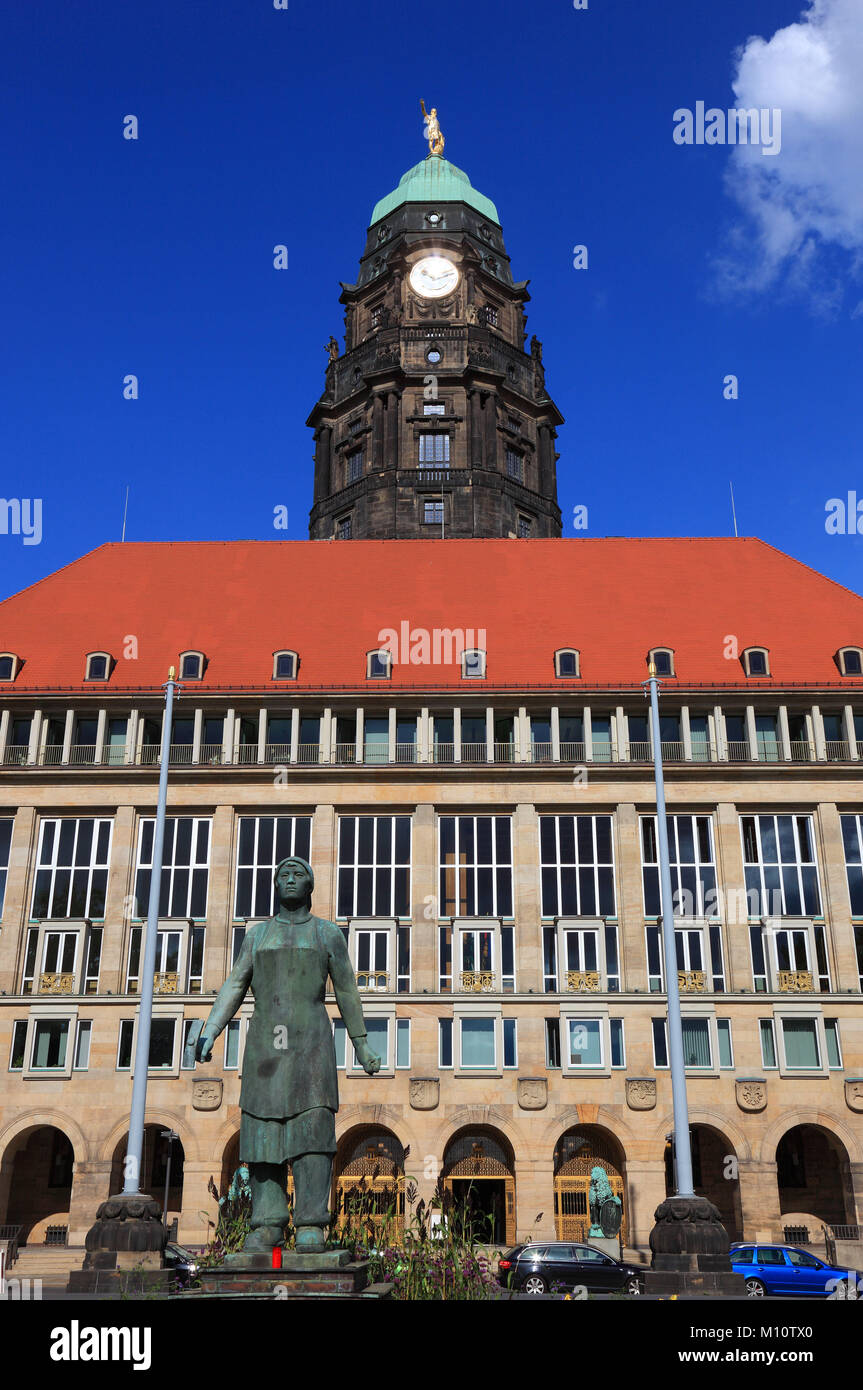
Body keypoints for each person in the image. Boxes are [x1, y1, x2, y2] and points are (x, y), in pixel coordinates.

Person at [196, 856, 380, 1252]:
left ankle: (312, 1222)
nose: (291, 879)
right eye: (284, 874)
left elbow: (347, 990)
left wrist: (361, 1043)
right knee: (263, 1136)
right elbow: (234, 985)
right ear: (275, 885)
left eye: (299, 874)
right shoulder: (257, 936)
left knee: (312, 1133)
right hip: (266, 1048)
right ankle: (267, 1224)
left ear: (310, 885)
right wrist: (211, 1029)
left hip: (311, 1046)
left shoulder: (328, 934)